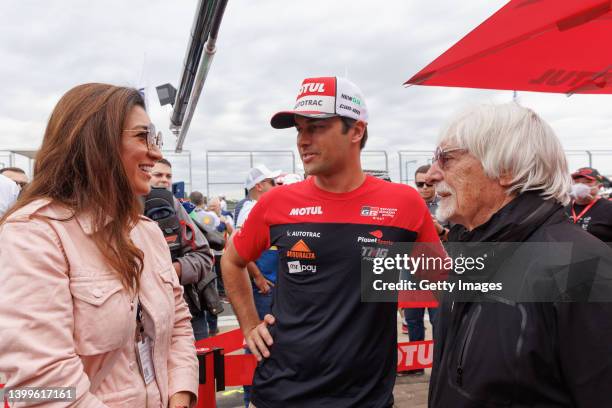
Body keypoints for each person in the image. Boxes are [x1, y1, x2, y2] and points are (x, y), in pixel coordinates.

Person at [222, 76, 441, 407]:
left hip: (366, 398)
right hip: (280, 394)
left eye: (317, 127)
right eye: (299, 129)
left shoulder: (404, 203)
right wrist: (250, 325)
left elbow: (442, 280)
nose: (303, 141)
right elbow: (231, 260)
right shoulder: (276, 202)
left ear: (356, 131)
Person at [0, 83, 198, 408]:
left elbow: (177, 323)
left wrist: (180, 395)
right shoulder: (34, 233)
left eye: (156, 138)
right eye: (142, 137)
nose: (157, 153)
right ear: (97, 142)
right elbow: (42, 385)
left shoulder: (146, 232)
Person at [426, 103, 612, 407]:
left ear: (506, 170)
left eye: (446, 159)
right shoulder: (471, 250)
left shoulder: (582, 267)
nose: (433, 174)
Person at [149, 159, 215, 341]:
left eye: (168, 176)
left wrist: (168, 271)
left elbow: (204, 257)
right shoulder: (121, 206)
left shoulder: (176, 206)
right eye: (158, 175)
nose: (164, 180)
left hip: (185, 311)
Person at [237, 165, 280, 408]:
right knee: (259, 341)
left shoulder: (250, 206)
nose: (275, 187)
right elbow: (237, 250)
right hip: (263, 287)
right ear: (259, 185)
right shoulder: (251, 208)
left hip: (267, 284)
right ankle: (251, 397)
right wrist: (258, 278)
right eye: (272, 182)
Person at [399, 164, 446, 376]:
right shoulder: (407, 206)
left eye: (429, 183)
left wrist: (441, 231)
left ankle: (440, 364)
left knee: (439, 321)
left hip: (437, 274)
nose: (425, 188)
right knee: (413, 320)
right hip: (411, 272)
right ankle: (415, 365)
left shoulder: (448, 205)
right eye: (420, 184)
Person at [566, 167, 612, 246]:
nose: (580, 186)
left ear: (599, 186)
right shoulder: (563, 208)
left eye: (587, 182)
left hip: (600, 257)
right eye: (576, 182)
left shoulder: (609, 208)